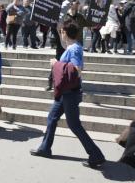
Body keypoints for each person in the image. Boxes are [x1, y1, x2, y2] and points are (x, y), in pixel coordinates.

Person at [30, 20, 106, 169]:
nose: (61, 34)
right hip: (65, 93)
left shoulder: (75, 49)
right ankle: (45, 148)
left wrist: (56, 64)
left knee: (75, 125)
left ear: (65, 32)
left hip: (69, 94)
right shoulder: (71, 47)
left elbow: (77, 69)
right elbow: (67, 52)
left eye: (62, 31)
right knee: (52, 118)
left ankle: (96, 155)